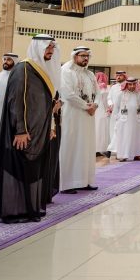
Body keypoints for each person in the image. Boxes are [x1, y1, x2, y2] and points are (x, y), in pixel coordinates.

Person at [0, 35, 60, 223]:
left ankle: (28, 207)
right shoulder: (23, 69)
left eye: (52, 47)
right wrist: (20, 129)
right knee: (17, 169)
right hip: (22, 132)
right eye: (47, 47)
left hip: (38, 131)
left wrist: (50, 122)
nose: (50, 50)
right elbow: (15, 101)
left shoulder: (42, 71)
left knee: (31, 171)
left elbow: (43, 102)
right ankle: (14, 210)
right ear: (37, 47)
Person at [59, 46, 98, 193]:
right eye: (82, 56)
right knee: (71, 146)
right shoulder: (66, 71)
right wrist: (86, 106)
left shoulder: (90, 75)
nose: (85, 58)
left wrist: (95, 105)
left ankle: (85, 181)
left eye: (87, 56)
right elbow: (68, 94)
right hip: (73, 115)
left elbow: (98, 93)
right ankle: (67, 183)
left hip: (88, 117)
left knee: (86, 148)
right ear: (75, 56)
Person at [113, 78, 140, 162]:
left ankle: (137, 155)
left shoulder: (139, 94)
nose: (132, 86)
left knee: (138, 137)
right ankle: (123, 155)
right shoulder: (120, 94)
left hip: (137, 121)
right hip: (124, 121)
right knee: (125, 137)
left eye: (134, 84)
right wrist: (117, 118)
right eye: (130, 84)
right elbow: (116, 107)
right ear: (126, 84)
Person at [94, 71, 110, 156]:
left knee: (96, 129)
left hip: (95, 109)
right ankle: (101, 148)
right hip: (101, 110)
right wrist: (108, 110)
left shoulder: (94, 87)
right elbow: (105, 101)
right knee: (102, 130)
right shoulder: (104, 87)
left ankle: (95, 149)